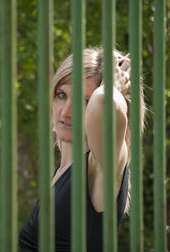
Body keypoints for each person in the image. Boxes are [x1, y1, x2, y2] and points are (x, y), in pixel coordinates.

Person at [19, 47, 145, 252]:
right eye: (61, 95)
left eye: (83, 101)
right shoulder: (60, 172)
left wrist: (113, 87)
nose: (67, 111)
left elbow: (105, 101)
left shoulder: (103, 164)